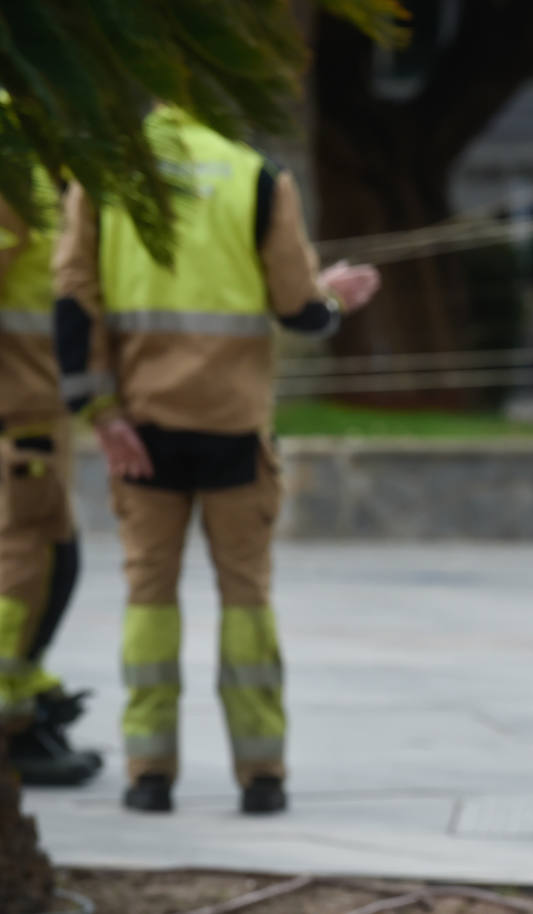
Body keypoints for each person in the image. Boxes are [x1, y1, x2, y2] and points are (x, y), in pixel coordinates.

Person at [53, 105, 380, 814]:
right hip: (232, 431)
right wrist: (336, 297)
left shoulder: (102, 179)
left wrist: (101, 414)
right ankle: (262, 777)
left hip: (139, 433)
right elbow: (299, 310)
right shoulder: (257, 178)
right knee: (245, 597)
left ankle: (149, 775)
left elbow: (73, 301)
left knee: (148, 595)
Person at [0, 169, 102, 786]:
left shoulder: (37, 163)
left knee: (55, 559)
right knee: (32, 562)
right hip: (18, 411)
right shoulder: (12, 165)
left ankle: (27, 700)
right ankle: (10, 723)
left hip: (39, 408)